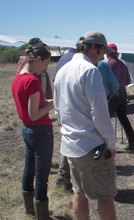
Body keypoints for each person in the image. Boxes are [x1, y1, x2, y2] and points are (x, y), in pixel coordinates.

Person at [54, 31, 120, 220]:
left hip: (71, 145)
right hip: (93, 146)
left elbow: (58, 110)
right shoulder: (90, 71)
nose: (102, 57)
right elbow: (100, 114)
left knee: (79, 192)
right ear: (93, 48)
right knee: (105, 197)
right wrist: (110, 143)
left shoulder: (62, 70)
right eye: (102, 52)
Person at [11, 45, 60, 220]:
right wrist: (53, 104)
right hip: (40, 130)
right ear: (38, 60)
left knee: (28, 170)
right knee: (42, 175)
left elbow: (29, 107)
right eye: (46, 63)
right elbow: (35, 114)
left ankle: (30, 210)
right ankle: (44, 217)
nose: (45, 68)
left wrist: (45, 102)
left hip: (28, 130)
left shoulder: (18, 78)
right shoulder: (32, 81)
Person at [106, 43, 134, 150]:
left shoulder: (109, 64)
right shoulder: (122, 64)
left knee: (105, 119)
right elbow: (128, 81)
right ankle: (133, 141)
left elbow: (107, 82)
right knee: (123, 118)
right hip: (123, 93)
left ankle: (108, 146)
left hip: (113, 94)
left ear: (108, 52)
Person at [54, 48, 77, 190]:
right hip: (72, 105)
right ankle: (63, 177)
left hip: (63, 104)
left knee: (66, 138)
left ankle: (62, 178)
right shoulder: (75, 62)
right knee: (71, 140)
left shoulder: (62, 60)